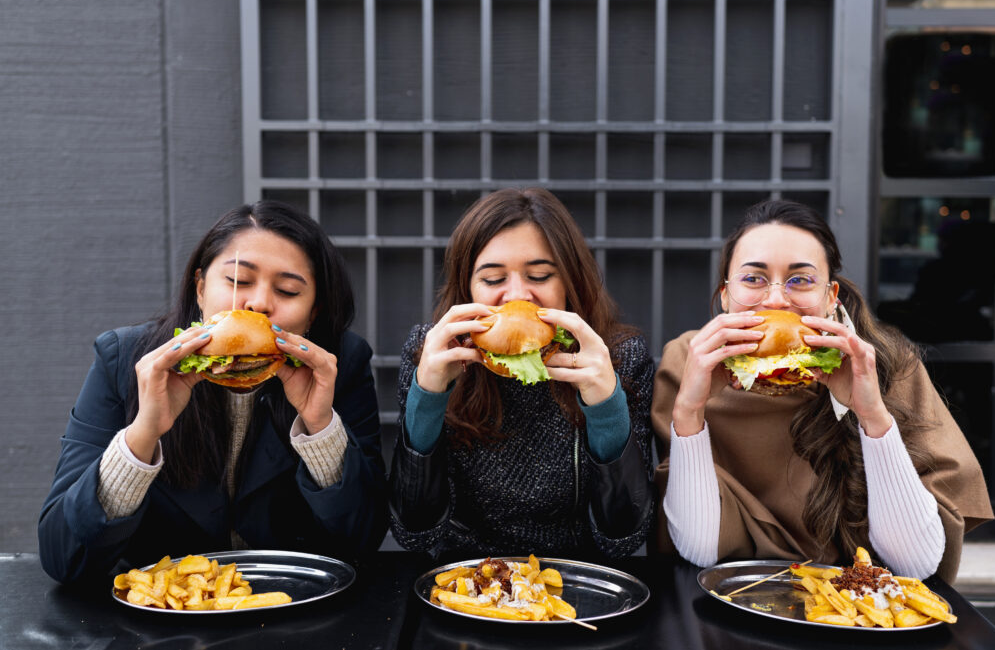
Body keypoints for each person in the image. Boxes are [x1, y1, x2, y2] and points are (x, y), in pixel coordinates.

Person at [39, 201, 387, 584]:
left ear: (313, 313)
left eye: (288, 290)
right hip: (163, 619)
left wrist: (320, 427)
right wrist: (142, 436)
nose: (258, 303)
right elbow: (63, 558)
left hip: (295, 608)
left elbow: (363, 541)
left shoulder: (339, 365)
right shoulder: (126, 360)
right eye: (238, 281)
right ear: (201, 289)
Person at [652, 199, 992, 581]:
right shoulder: (688, 359)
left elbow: (915, 565)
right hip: (732, 600)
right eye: (753, 279)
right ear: (726, 295)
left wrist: (872, 415)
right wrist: (690, 412)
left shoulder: (886, 364)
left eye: (800, 280)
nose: (777, 299)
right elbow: (700, 550)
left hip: (859, 610)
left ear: (831, 297)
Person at [389, 187, 654, 559]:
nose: (517, 296)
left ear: (570, 283)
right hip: (464, 580)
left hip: (575, 580)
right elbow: (413, 533)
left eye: (540, 275)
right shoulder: (431, 352)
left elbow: (624, 537)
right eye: (493, 280)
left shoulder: (620, 358)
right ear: (467, 288)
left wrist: (606, 407)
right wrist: (428, 397)